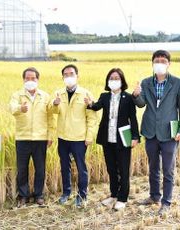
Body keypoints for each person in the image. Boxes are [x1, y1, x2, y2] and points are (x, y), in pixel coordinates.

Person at [85, 68, 140, 210]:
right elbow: (96, 107)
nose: (114, 81)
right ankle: (113, 194)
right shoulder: (104, 96)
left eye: (116, 78)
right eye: (111, 78)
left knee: (123, 169)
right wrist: (90, 103)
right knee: (111, 168)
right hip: (107, 138)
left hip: (123, 138)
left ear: (122, 81)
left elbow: (132, 119)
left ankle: (123, 198)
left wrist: (135, 137)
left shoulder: (128, 98)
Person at [133, 50, 180, 215]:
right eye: (157, 60)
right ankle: (154, 196)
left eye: (163, 60)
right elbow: (140, 104)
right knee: (153, 167)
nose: (160, 63)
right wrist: (136, 94)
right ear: (152, 63)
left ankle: (166, 202)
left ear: (169, 64)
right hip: (150, 131)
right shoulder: (146, 83)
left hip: (169, 133)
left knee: (168, 169)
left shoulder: (177, 83)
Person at [52, 64, 97, 207]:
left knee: (80, 166)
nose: (68, 77)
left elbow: (92, 118)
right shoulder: (59, 94)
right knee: (64, 166)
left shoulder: (86, 94)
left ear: (77, 76)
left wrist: (89, 136)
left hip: (79, 138)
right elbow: (53, 112)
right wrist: (55, 104)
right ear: (63, 77)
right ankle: (66, 192)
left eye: (71, 74)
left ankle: (82, 195)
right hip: (63, 137)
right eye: (66, 75)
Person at [10, 67, 55, 207]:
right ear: (23, 79)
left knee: (40, 169)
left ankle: (38, 195)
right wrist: (20, 109)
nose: (30, 81)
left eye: (33, 78)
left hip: (40, 139)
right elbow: (12, 108)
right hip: (22, 138)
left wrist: (50, 135)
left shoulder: (45, 96)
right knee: (22, 169)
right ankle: (23, 196)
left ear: (37, 79)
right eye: (27, 78)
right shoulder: (17, 95)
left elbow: (51, 117)